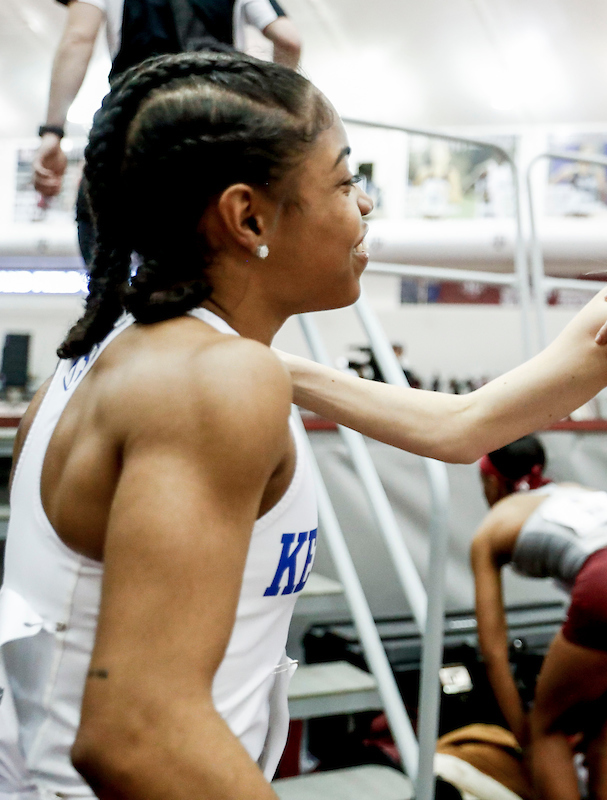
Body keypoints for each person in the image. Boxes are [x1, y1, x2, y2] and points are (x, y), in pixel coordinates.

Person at [1, 50, 372, 799]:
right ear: (247, 216)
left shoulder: (104, 362)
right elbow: (137, 733)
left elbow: (464, 427)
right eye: (344, 181)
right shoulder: (215, 379)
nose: (364, 208)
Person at [32, 0, 303, 262]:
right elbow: (289, 40)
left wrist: (53, 132)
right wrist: (274, 112)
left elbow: (78, 38)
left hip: (138, 115)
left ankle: (116, 300)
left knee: (99, 220)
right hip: (218, 118)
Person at [470, 436, 607, 800]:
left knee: (550, 726)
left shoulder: (492, 527)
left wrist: (527, 734)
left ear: (493, 482)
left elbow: (494, 651)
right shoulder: (574, 490)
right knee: (597, 716)